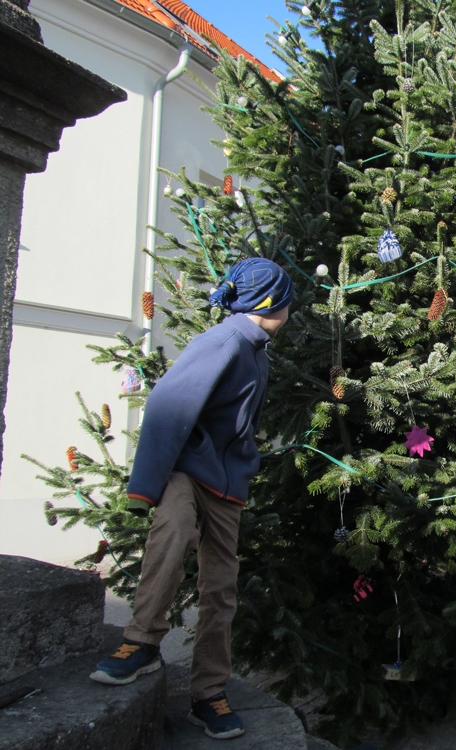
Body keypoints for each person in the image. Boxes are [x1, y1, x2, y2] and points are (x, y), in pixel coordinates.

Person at [89, 258, 293, 740]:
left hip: (227, 484)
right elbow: (164, 409)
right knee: (174, 531)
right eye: (287, 301)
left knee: (220, 586)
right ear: (270, 303)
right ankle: (139, 643)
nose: (292, 310)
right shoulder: (223, 342)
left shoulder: (257, 348)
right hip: (186, 468)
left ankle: (208, 694)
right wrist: (144, 488)